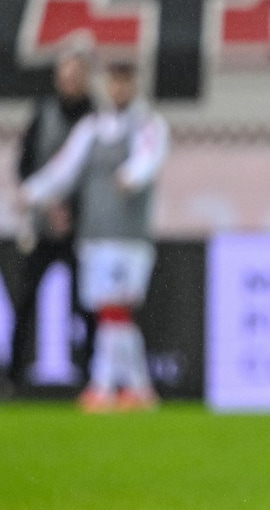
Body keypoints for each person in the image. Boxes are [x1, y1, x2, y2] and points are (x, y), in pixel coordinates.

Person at [18, 61, 170, 412]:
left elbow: (149, 159)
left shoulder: (147, 124)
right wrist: (35, 191)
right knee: (110, 313)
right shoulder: (92, 128)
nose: (118, 89)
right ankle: (137, 388)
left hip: (130, 235)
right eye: (113, 82)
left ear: (133, 85)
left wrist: (132, 175)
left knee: (115, 309)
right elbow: (64, 169)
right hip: (95, 233)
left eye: (124, 82)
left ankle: (103, 385)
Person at [6, 49, 95, 393]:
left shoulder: (95, 118)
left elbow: (95, 177)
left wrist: (72, 210)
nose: (69, 82)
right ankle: (12, 376)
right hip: (43, 227)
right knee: (25, 301)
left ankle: (90, 378)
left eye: (76, 75)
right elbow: (26, 166)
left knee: (86, 307)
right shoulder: (43, 113)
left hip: (80, 230)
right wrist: (47, 206)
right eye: (65, 75)